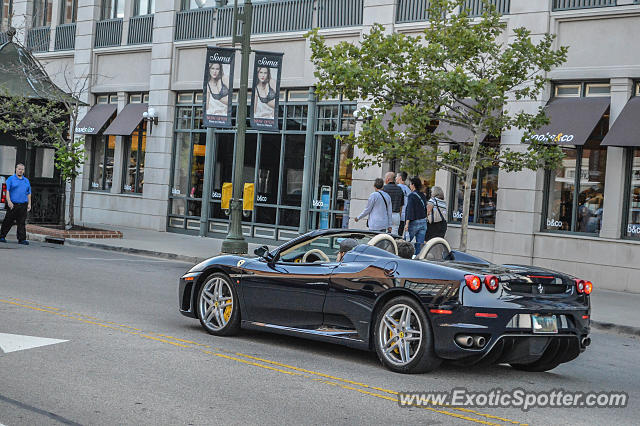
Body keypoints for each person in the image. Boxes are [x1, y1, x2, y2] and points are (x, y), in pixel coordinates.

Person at [0, 163, 32, 245]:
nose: (21, 171)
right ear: (16, 169)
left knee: (21, 222)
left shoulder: (26, 181)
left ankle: (22, 239)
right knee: (8, 221)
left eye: (22, 169)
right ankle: (2, 236)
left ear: (24, 171)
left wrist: (29, 204)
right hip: (13, 204)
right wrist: (9, 201)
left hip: (23, 204)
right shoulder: (11, 179)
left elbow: (28, 193)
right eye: (19, 169)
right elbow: (7, 191)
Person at [404, 177, 427, 255]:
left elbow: (410, 210)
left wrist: (407, 224)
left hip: (414, 222)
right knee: (419, 245)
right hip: (423, 221)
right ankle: (418, 260)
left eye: (410, 184)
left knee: (405, 244)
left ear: (413, 185)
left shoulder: (411, 196)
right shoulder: (423, 195)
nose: (409, 186)